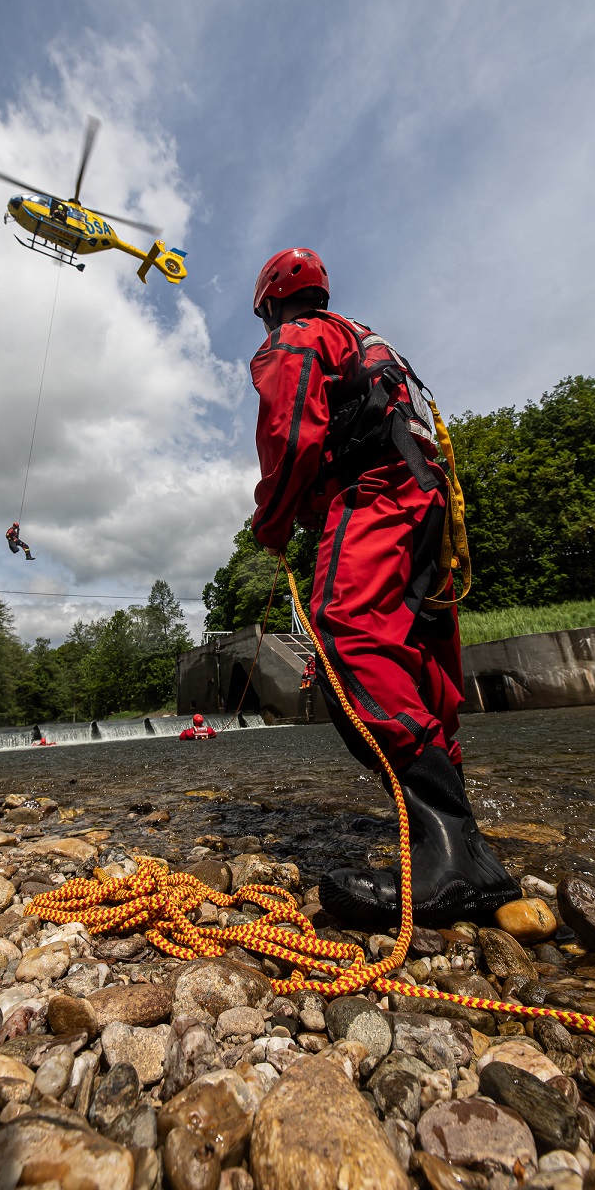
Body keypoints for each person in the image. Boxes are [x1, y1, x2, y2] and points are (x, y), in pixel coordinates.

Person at [250, 247, 520, 930]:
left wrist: (273, 519)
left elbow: (293, 435)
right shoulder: (373, 343)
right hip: (430, 504)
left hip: (377, 495)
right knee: (421, 662)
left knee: (348, 634)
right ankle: (471, 854)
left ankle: (448, 848)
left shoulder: (297, 338)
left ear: (273, 305)